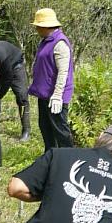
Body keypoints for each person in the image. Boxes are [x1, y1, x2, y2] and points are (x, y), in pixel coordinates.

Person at [28, 8, 75, 151]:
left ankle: (69, 160)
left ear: (45, 26)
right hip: (44, 93)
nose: (36, 28)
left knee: (60, 129)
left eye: (38, 26)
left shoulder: (60, 43)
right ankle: (51, 158)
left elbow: (63, 72)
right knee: (45, 128)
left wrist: (57, 95)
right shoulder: (45, 41)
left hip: (56, 96)